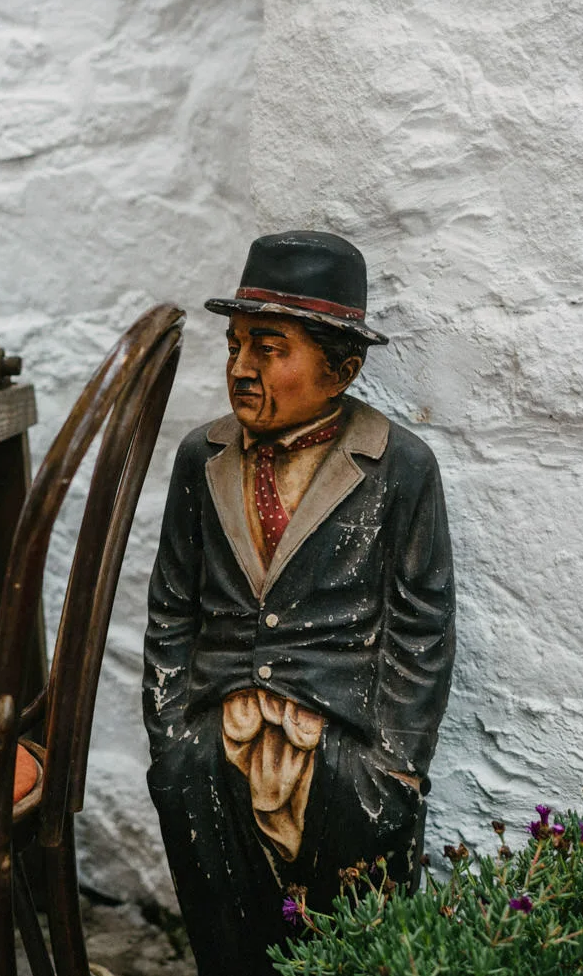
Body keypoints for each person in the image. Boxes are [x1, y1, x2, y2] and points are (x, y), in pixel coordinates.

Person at [142, 231, 456, 975]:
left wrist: (395, 770)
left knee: (350, 949)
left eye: (269, 348)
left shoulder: (400, 467)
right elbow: (171, 607)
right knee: (228, 943)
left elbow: (421, 628)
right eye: (234, 346)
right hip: (212, 749)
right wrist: (172, 741)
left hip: (345, 762)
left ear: (341, 368)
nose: (241, 368)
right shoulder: (201, 458)